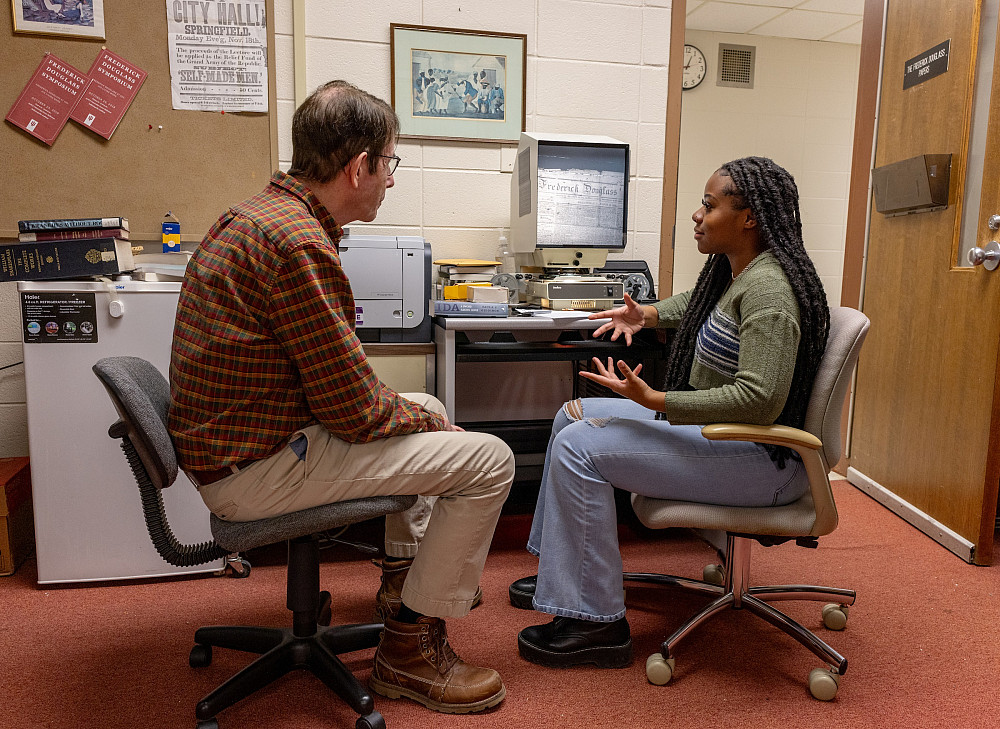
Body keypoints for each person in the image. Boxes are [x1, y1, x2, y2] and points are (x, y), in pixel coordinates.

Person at [168, 79, 514, 713]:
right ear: (360, 166)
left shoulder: (261, 215)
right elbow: (353, 410)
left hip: (242, 445)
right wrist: (434, 431)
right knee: (490, 461)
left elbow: (344, 389)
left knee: (430, 409)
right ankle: (408, 650)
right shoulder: (299, 244)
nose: (390, 179)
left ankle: (401, 590)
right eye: (390, 164)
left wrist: (421, 419)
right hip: (256, 470)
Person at [511, 156, 830, 668]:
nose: (697, 216)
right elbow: (700, 306)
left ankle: (597, 625)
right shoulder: (740, 273)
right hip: (723, 439)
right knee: (571, 415)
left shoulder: (770, 290)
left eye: (710, 205)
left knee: (578, 448)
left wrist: (657, 401)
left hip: (759, 460)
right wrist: (648, 314)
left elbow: (760, 400)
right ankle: (563, 577)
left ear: (750, 218)